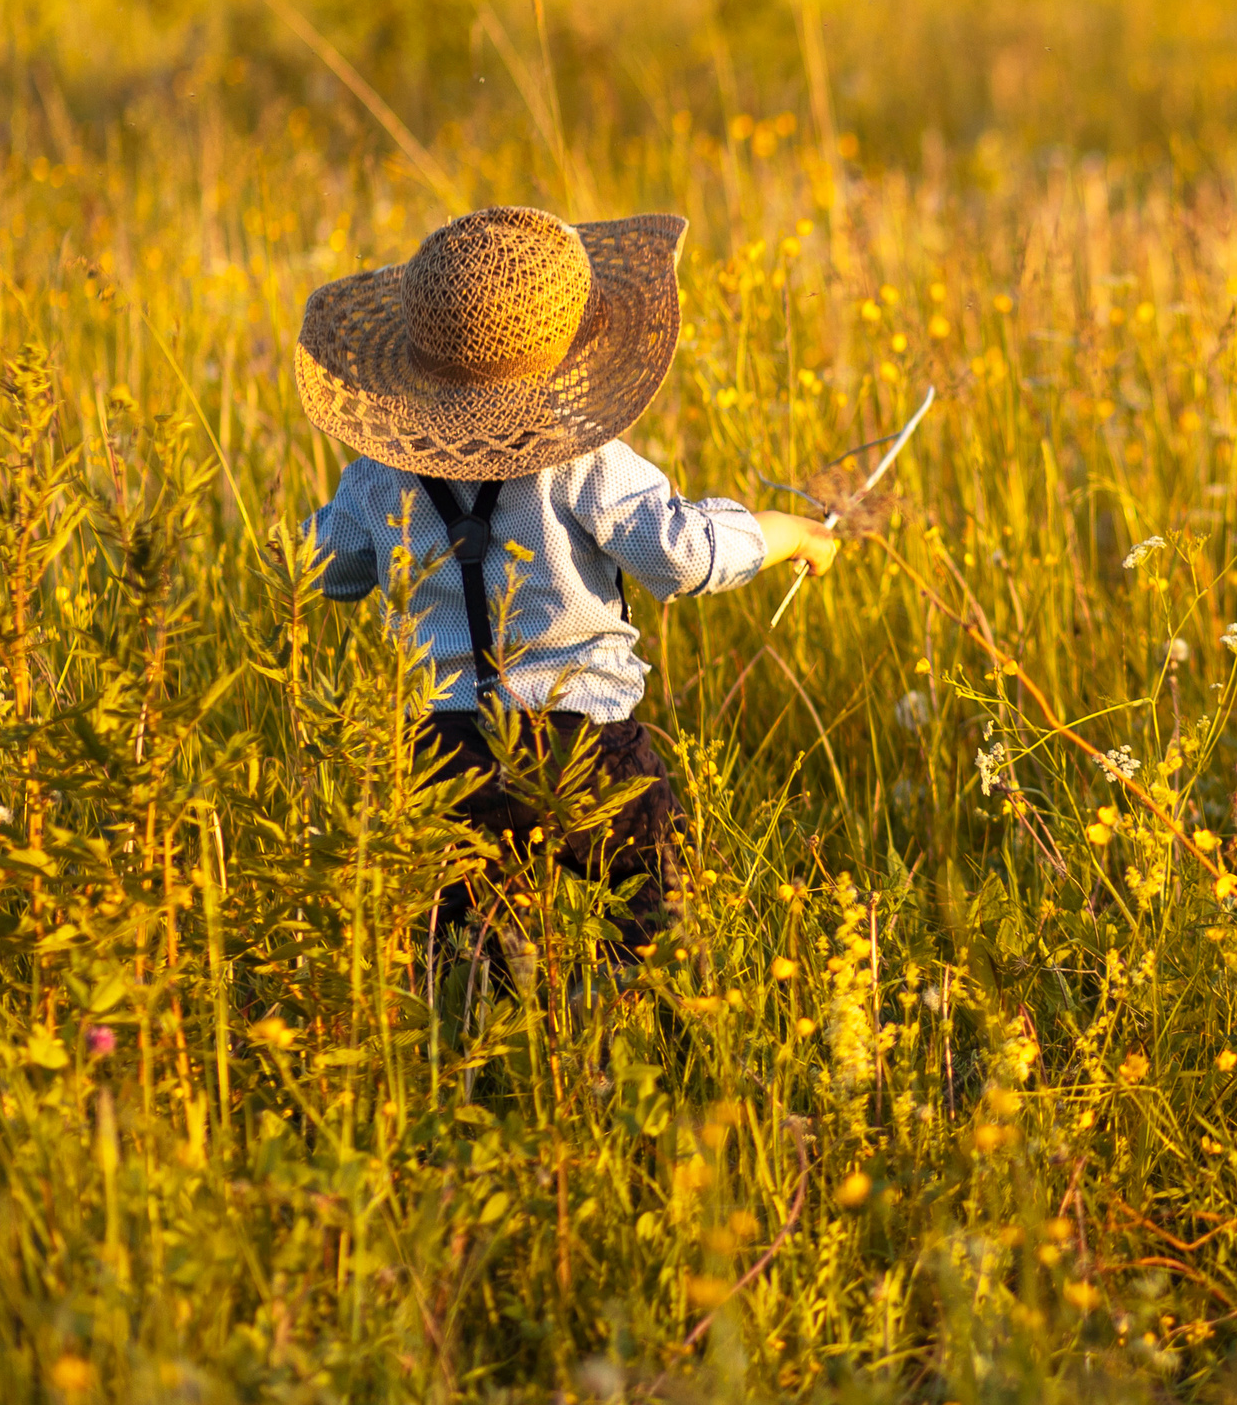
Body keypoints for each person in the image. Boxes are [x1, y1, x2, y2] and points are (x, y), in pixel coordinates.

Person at [292, 204, 839, 949]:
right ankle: (623, 1026)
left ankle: (476, 1046)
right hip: (581, 742)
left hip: (439, 750)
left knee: (456, 949)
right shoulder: (588, 462)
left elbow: (322, 568)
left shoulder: (376, 477)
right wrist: (785, 534)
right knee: (663, 907)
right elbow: (683, 556)